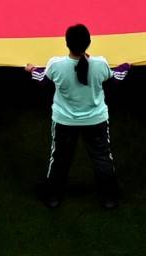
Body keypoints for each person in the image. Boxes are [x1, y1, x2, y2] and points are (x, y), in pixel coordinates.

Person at [27, 23, 129, 209]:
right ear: (89, 43)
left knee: (59, 158)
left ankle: (52, 197)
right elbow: (116, 77)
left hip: (64, 121)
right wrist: (126, 65)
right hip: (96, 120)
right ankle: (109, 198)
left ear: (66, 43)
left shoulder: (56, 65)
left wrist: (32, 69)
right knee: (102, 157)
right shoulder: (100, 64)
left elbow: (42, 80)